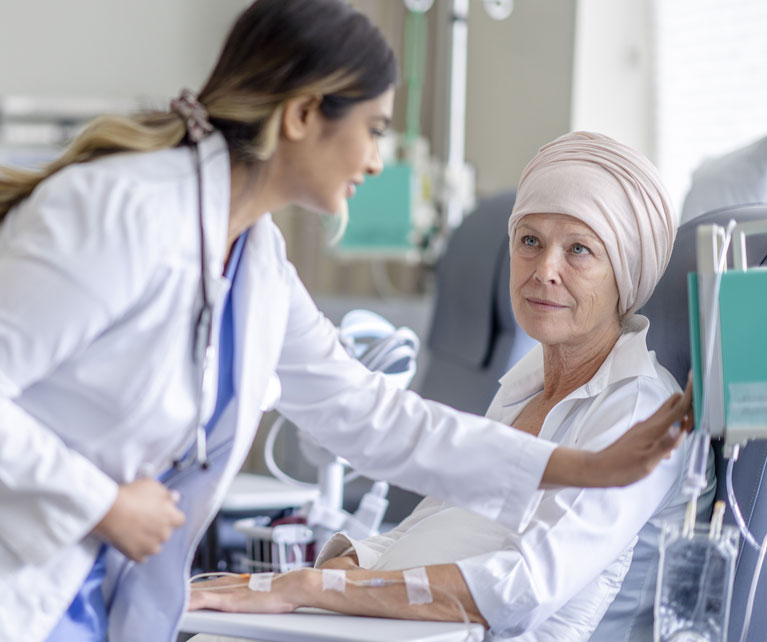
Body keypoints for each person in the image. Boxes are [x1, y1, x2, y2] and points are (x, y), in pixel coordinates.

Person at [0, 1, 691, 639]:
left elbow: (374, 418)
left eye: (580, 250)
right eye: (374, 129)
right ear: (302, 115)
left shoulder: (257, 264)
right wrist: (103, 502)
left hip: (81, 591)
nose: (375, 159)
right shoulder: (116, 211)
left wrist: (584, 468)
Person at [188, 132, 714, 642]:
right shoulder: (525, 386)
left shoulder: (640, 410)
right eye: (529, 241)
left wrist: (313, 587)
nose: (544, 271)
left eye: (579, 250)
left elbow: (517, 590)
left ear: (626, 273)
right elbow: (427, 525)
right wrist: (344, 569)